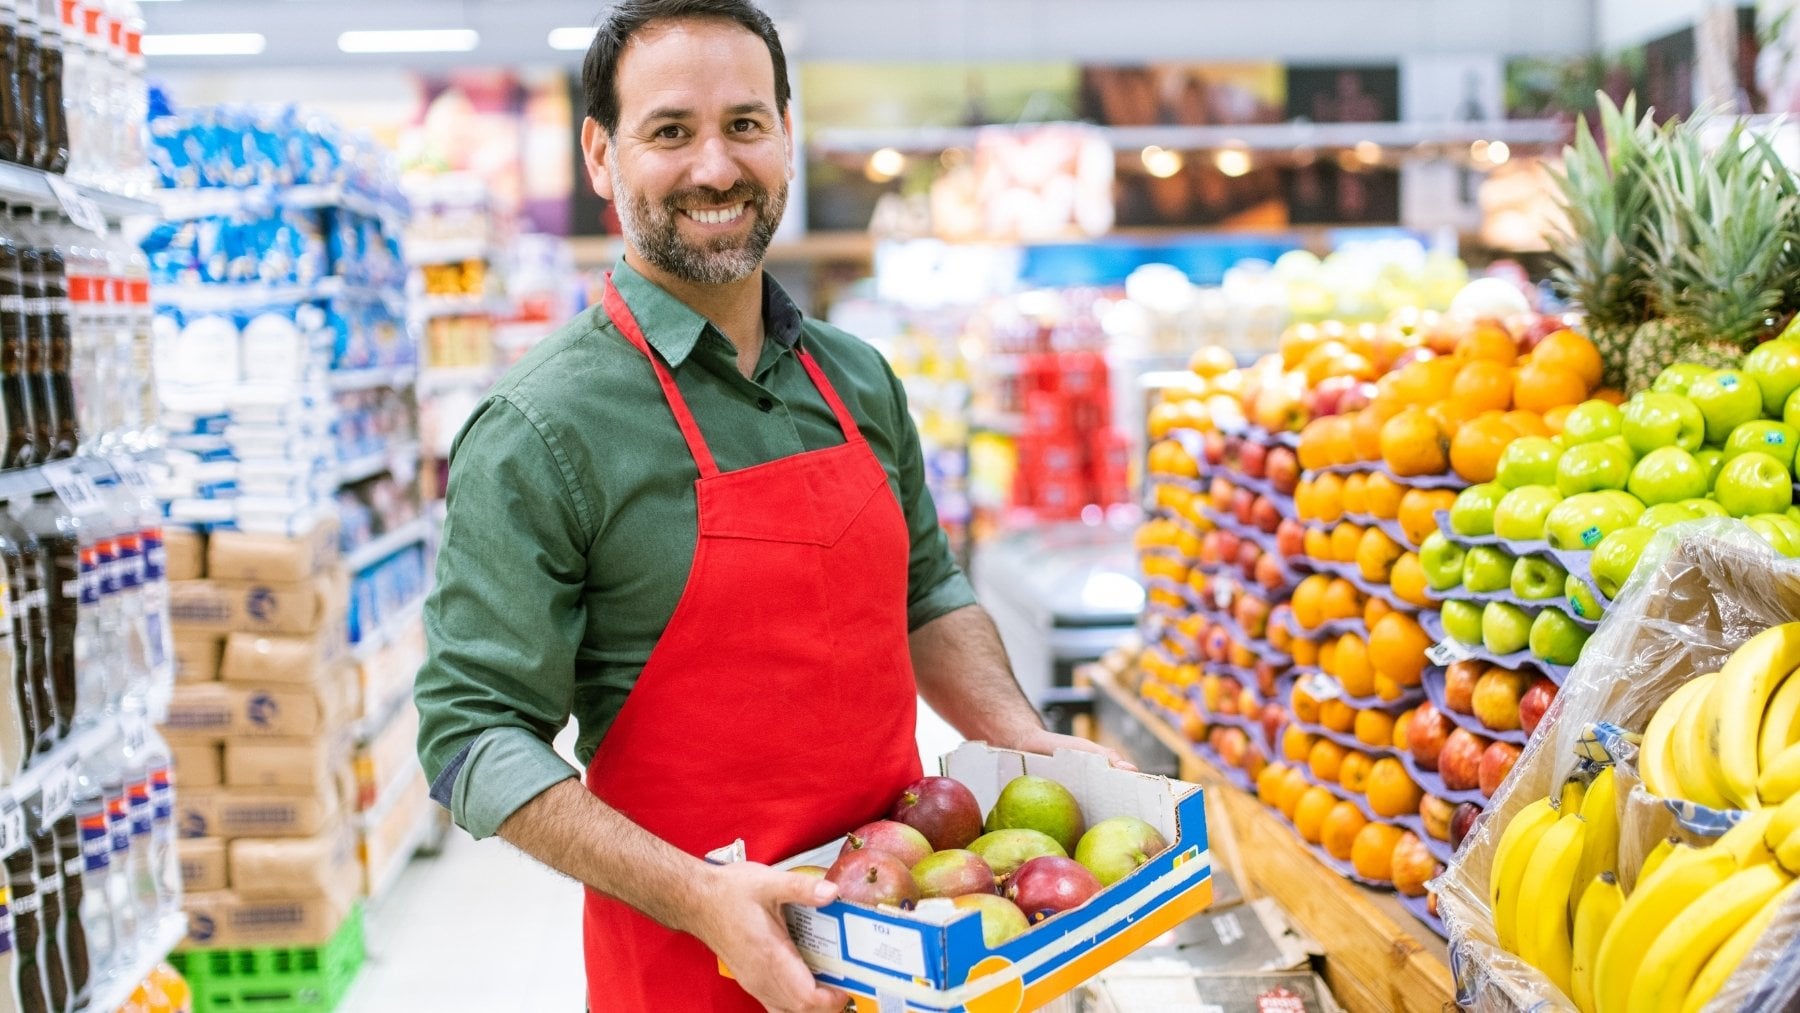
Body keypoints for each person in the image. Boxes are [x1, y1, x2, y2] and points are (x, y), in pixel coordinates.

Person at [412, 2, 1130, 1010]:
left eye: (745, 123)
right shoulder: (542, 428)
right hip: (688, 965)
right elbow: (471, 733)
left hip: (910, 942)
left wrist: (1023, 737)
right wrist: (699, 894)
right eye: (671, 131)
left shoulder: (857, 380)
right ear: (600, 154)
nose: (715, 166)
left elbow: (925, 588)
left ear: (787, 135)